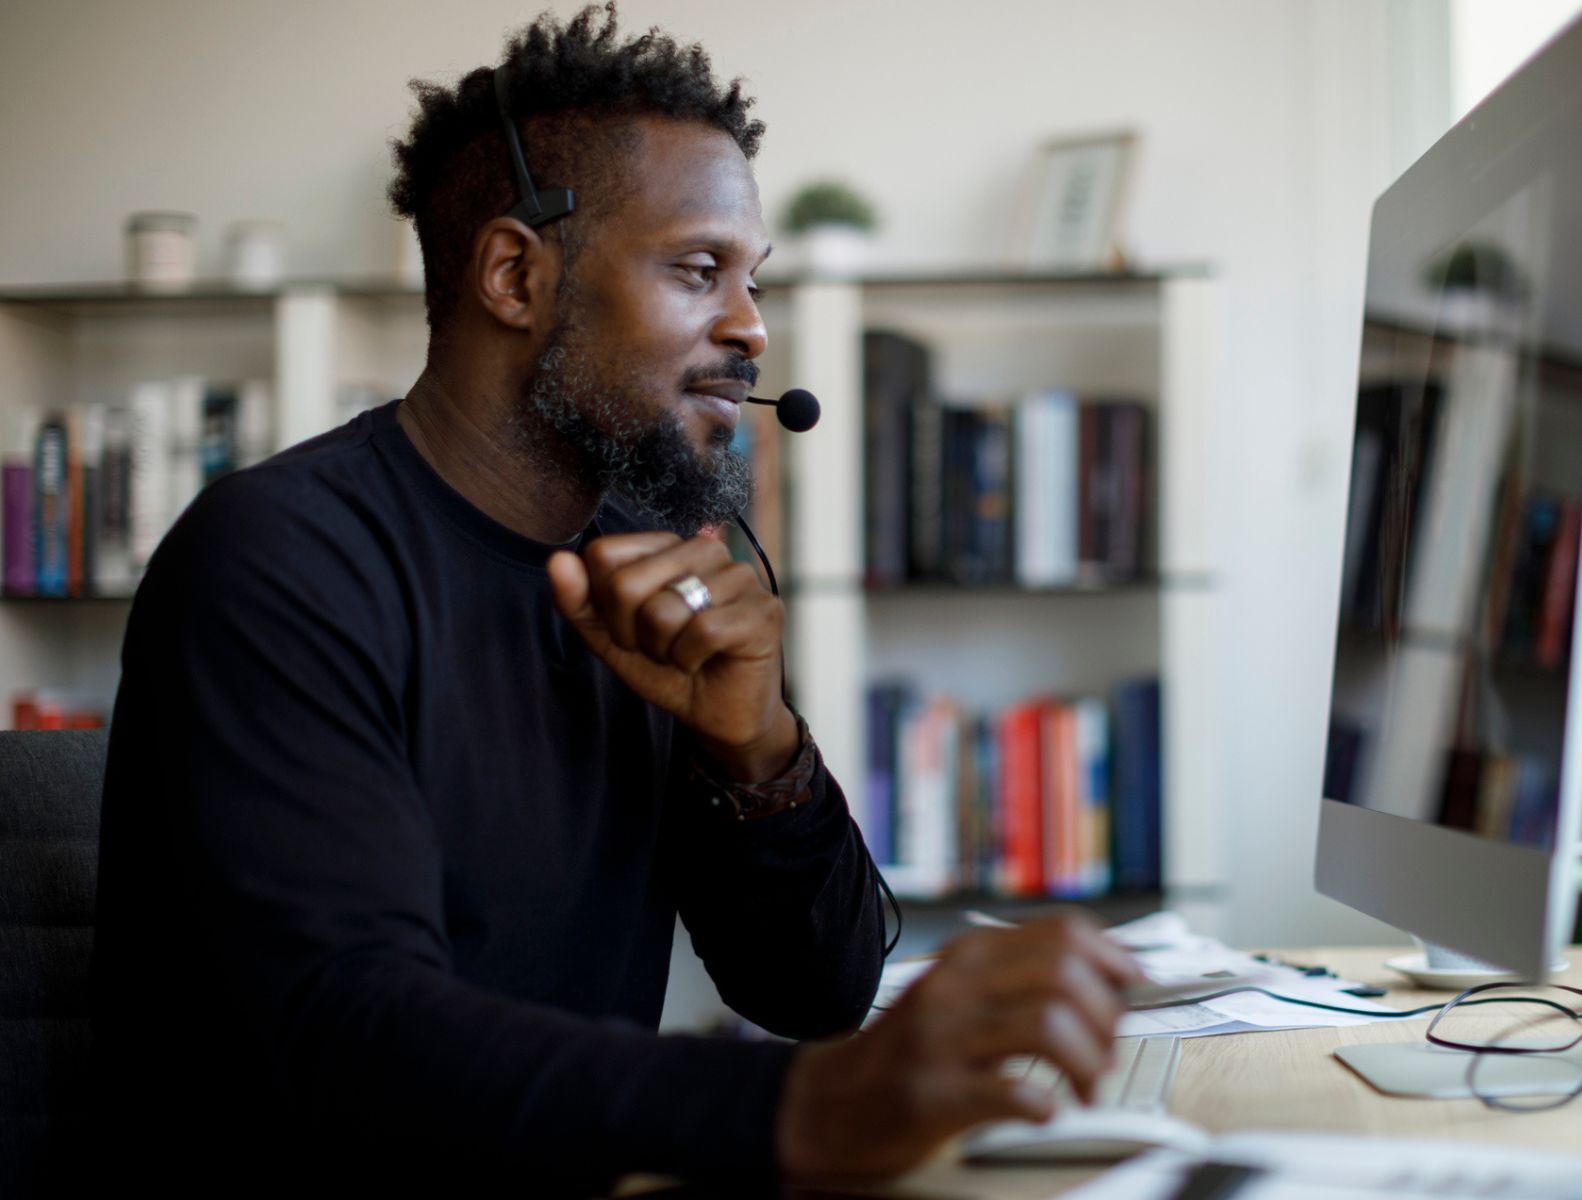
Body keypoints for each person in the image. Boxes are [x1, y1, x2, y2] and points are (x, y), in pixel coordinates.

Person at [88, 6, 1141, 1195]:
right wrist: (805, 1109)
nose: (749, 326)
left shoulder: (648, 565)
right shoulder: (279, 561)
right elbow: (345, 1039)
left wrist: (756, 751)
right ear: (513, 274)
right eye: (700, 270)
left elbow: (815, 990)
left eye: (753, 279)